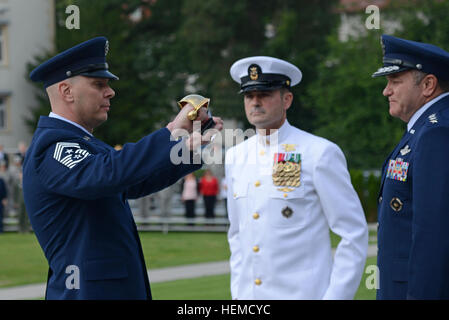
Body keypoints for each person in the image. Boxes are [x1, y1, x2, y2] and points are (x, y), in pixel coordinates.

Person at [23, 36, 223, 300]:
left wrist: (189, 147)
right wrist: (173, 131)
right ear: (66, 92)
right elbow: (106, 174)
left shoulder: (83, 144)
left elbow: (132, 182)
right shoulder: (53, 145)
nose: (110, 92)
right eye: (99, 84)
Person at [225, 56, 368, 300]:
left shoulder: (319, 153)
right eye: (249, 96)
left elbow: (353, 233)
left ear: (287, 99)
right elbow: (237, 235)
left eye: (265, 94)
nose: (255, 102)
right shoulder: (235, 156)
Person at [372, 35, 449, 300]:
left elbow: (433, 236)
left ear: (428, 84)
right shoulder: (424, 129)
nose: (386, 91)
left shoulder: (436, 133)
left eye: (395, 81)